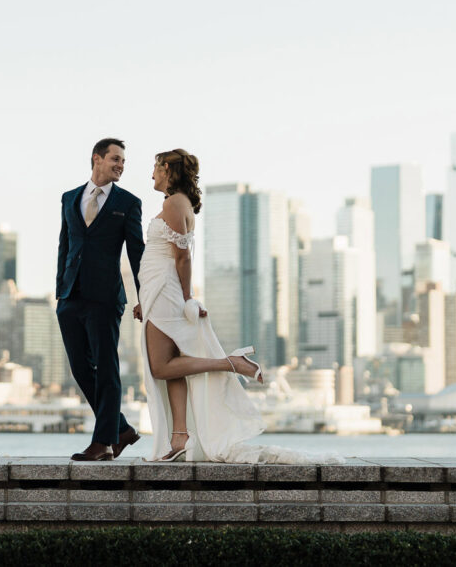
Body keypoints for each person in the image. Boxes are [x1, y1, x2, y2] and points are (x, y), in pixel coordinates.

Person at [138, 149, 342, 464]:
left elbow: (182, 257)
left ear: (166, 168)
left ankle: (230, 363)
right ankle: (180, 437)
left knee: (160, 367)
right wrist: (145, 299)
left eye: (154, 167)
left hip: (165, 291)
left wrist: (187, 297)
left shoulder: (174, 203)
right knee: (173, 365)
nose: (151, 173)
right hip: (157, 291)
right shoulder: (175, 203)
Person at [56, 138, 145, 461]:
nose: (120, 165)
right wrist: (59, 292)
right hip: (70, 296)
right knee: (81, 368)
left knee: (107, 368)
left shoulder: (128, 203)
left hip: (105, 298)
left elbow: (137, 253)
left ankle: (104, 442)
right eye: (115, 159)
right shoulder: (69, 198)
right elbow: (64, 246)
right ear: (97, 159)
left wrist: (142, 296)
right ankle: (120, 429)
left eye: (123, 161)